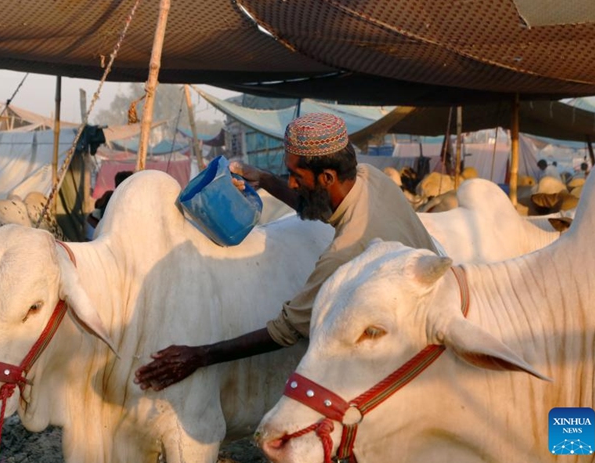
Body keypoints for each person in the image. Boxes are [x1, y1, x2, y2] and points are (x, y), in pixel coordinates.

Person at [134, 113, 437, 391]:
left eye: (296, 176)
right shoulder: (370, 178)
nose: (291, 182)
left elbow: (287, 329)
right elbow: (322, 210)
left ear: (328, 177)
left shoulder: (346, 254)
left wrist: (200, 355)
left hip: (412, 358)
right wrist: (265, 180)